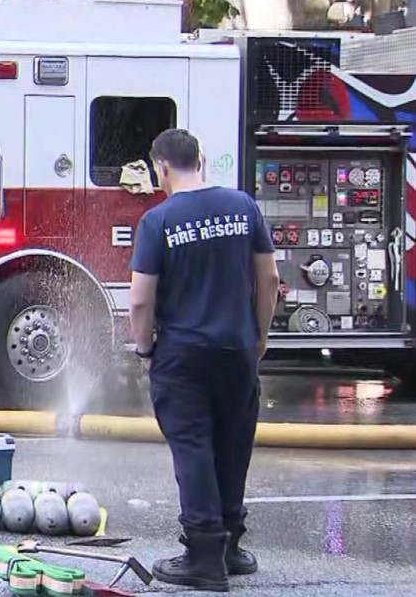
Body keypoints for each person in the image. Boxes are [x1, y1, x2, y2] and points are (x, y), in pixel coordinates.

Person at [128, 129, 280, 592]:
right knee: (232, 447)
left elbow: (140, 301)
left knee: (193, 448)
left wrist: (145, 350)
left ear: (161, 167)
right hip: (237, 351)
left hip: (183, 355)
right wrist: (259, 335)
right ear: (202, 160)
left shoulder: (158, 220)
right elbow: (270, 277)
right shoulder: (244, 207)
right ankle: (231, 548)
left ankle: (204, 558)